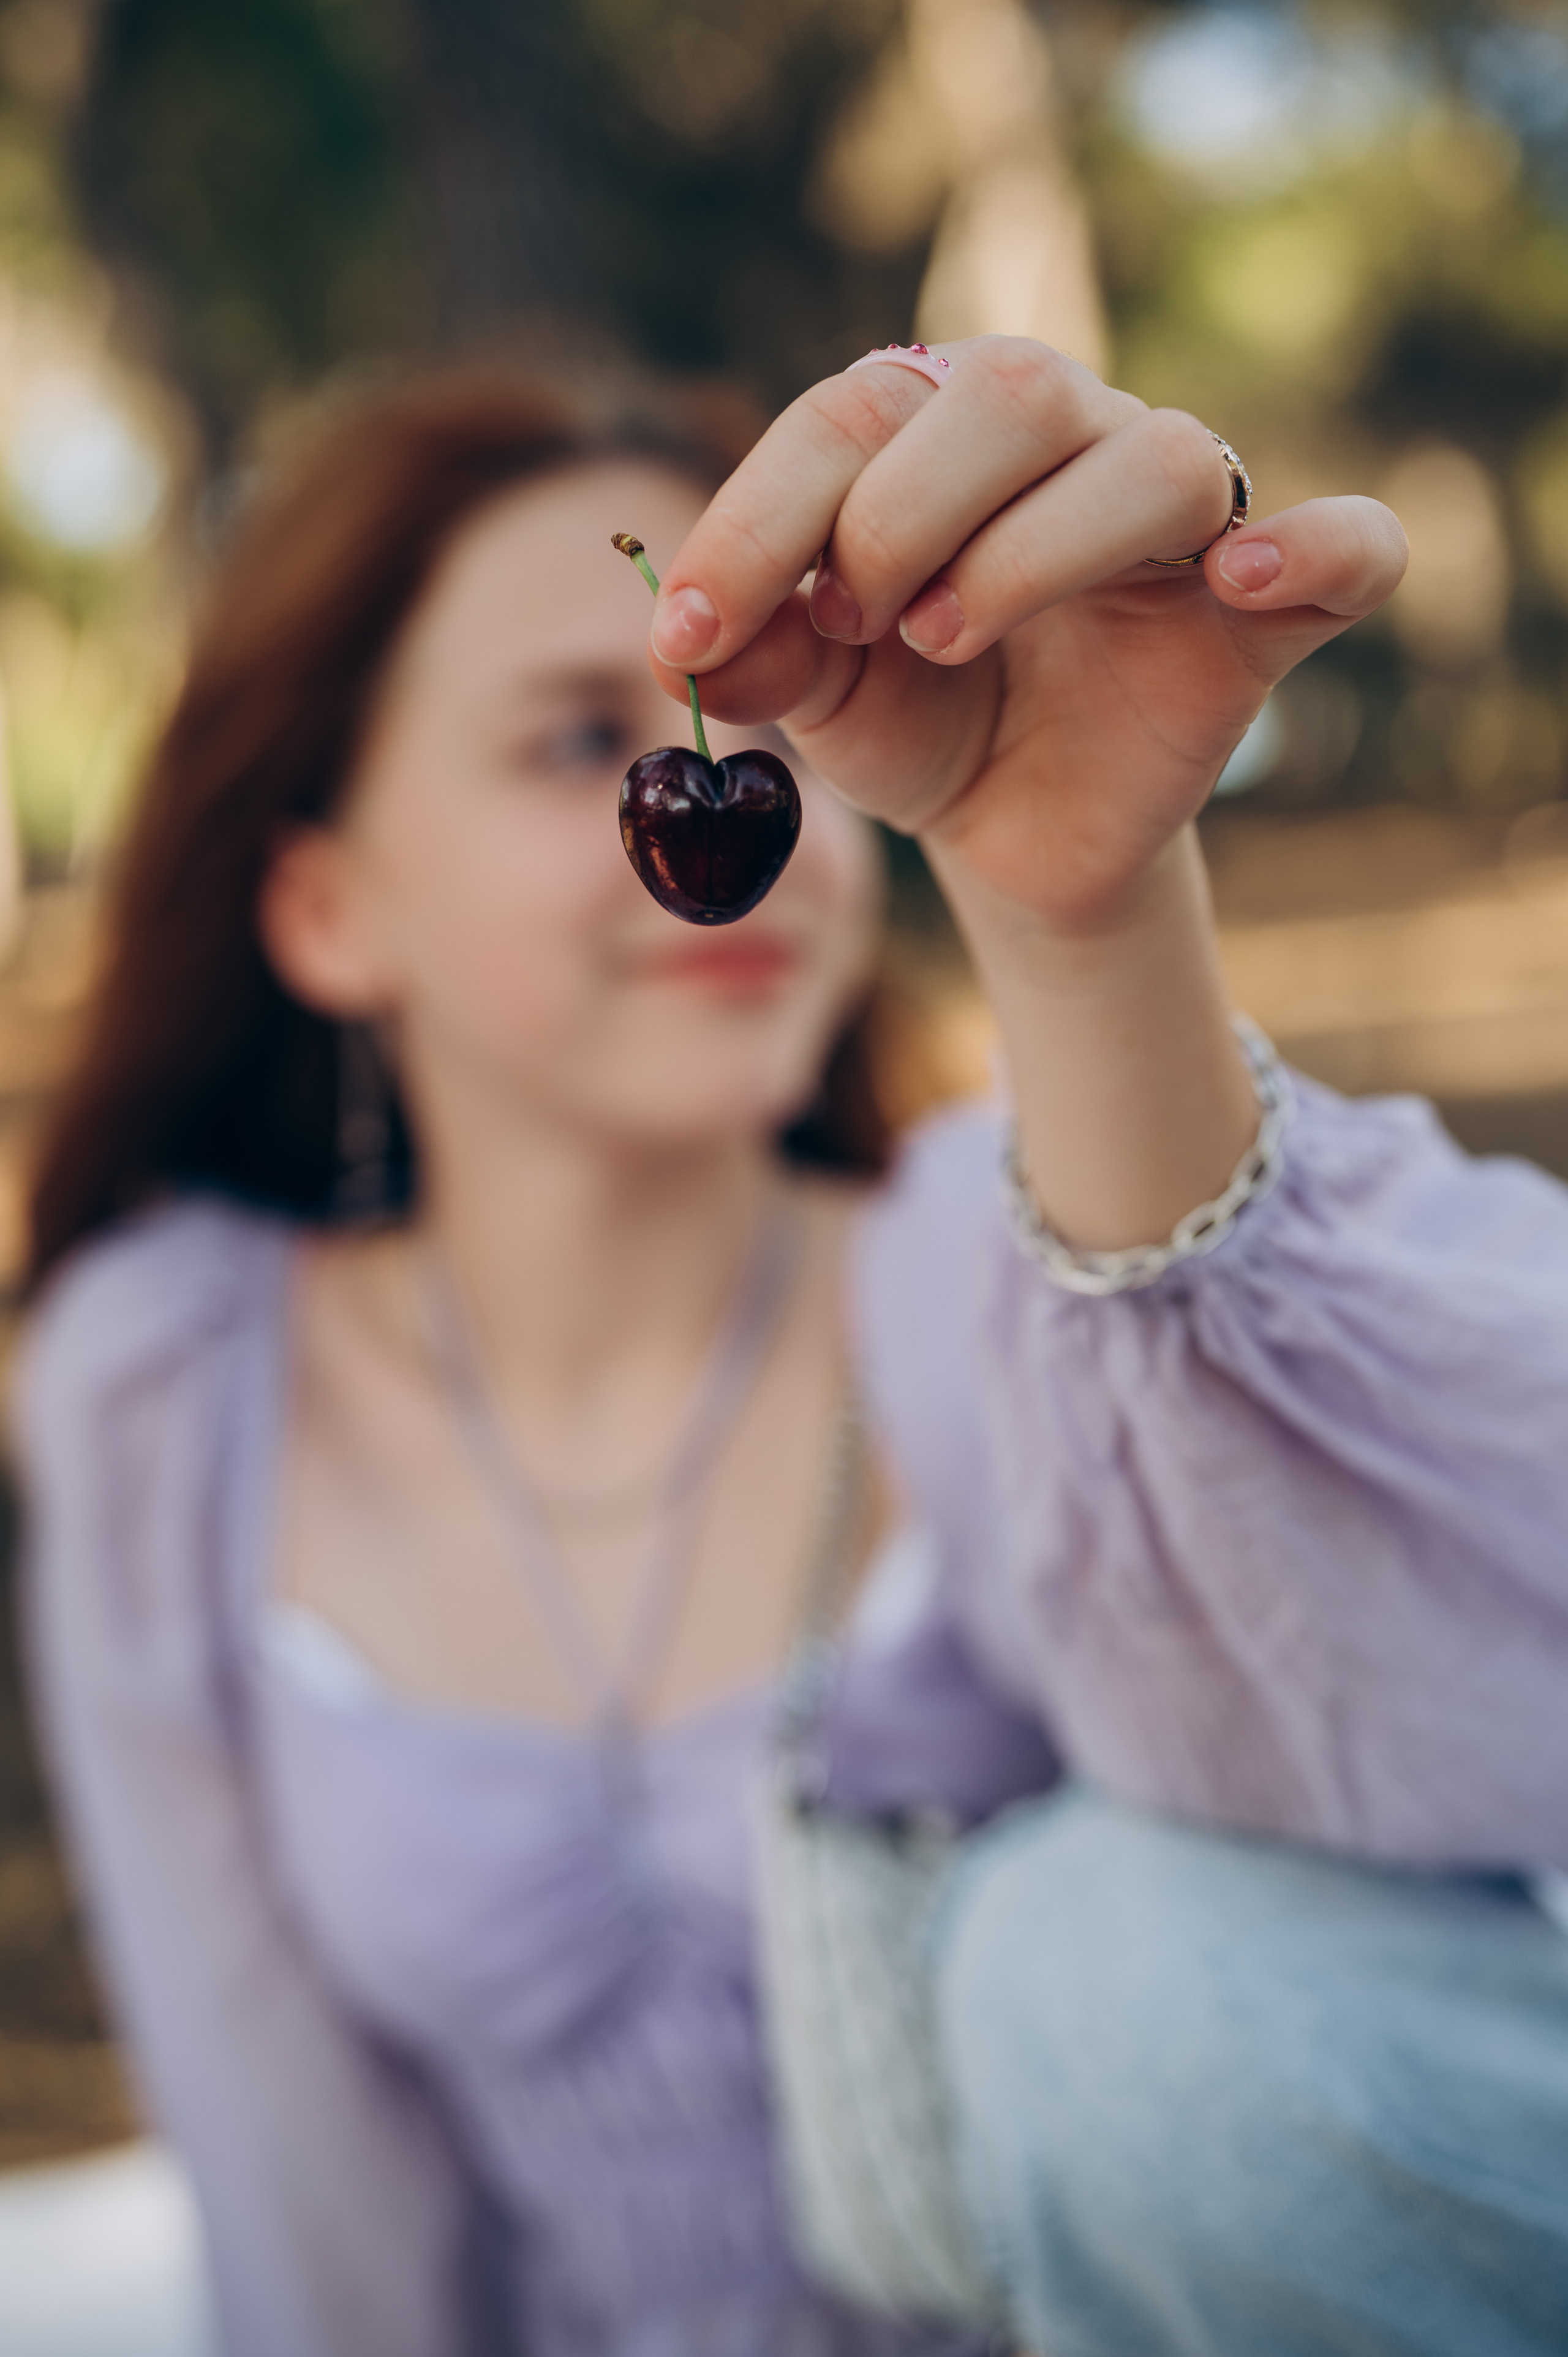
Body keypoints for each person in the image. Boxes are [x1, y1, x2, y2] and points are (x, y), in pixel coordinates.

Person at [13, 336, 1566, 2357]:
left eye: (785, 730)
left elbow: (1397, 1808)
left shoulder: (1008, 1270)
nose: (743, 784)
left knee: (1122, 1966)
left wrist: (1084, 923)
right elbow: (290, 2173)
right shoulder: (170, 1388)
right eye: (573, 739)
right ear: (324, 913)